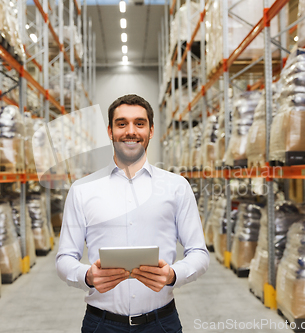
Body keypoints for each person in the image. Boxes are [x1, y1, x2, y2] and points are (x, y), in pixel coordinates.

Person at [56, 94, 209, 333]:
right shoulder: (82, 190)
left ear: (151, 131)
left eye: (139, 123)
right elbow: (64, 258)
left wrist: (173, 274)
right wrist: (87, 275)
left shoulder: (176, 186)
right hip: (101, 324)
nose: (131, 131)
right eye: (121, 123)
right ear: (110, 131)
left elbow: (199, 252)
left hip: (161, 323)